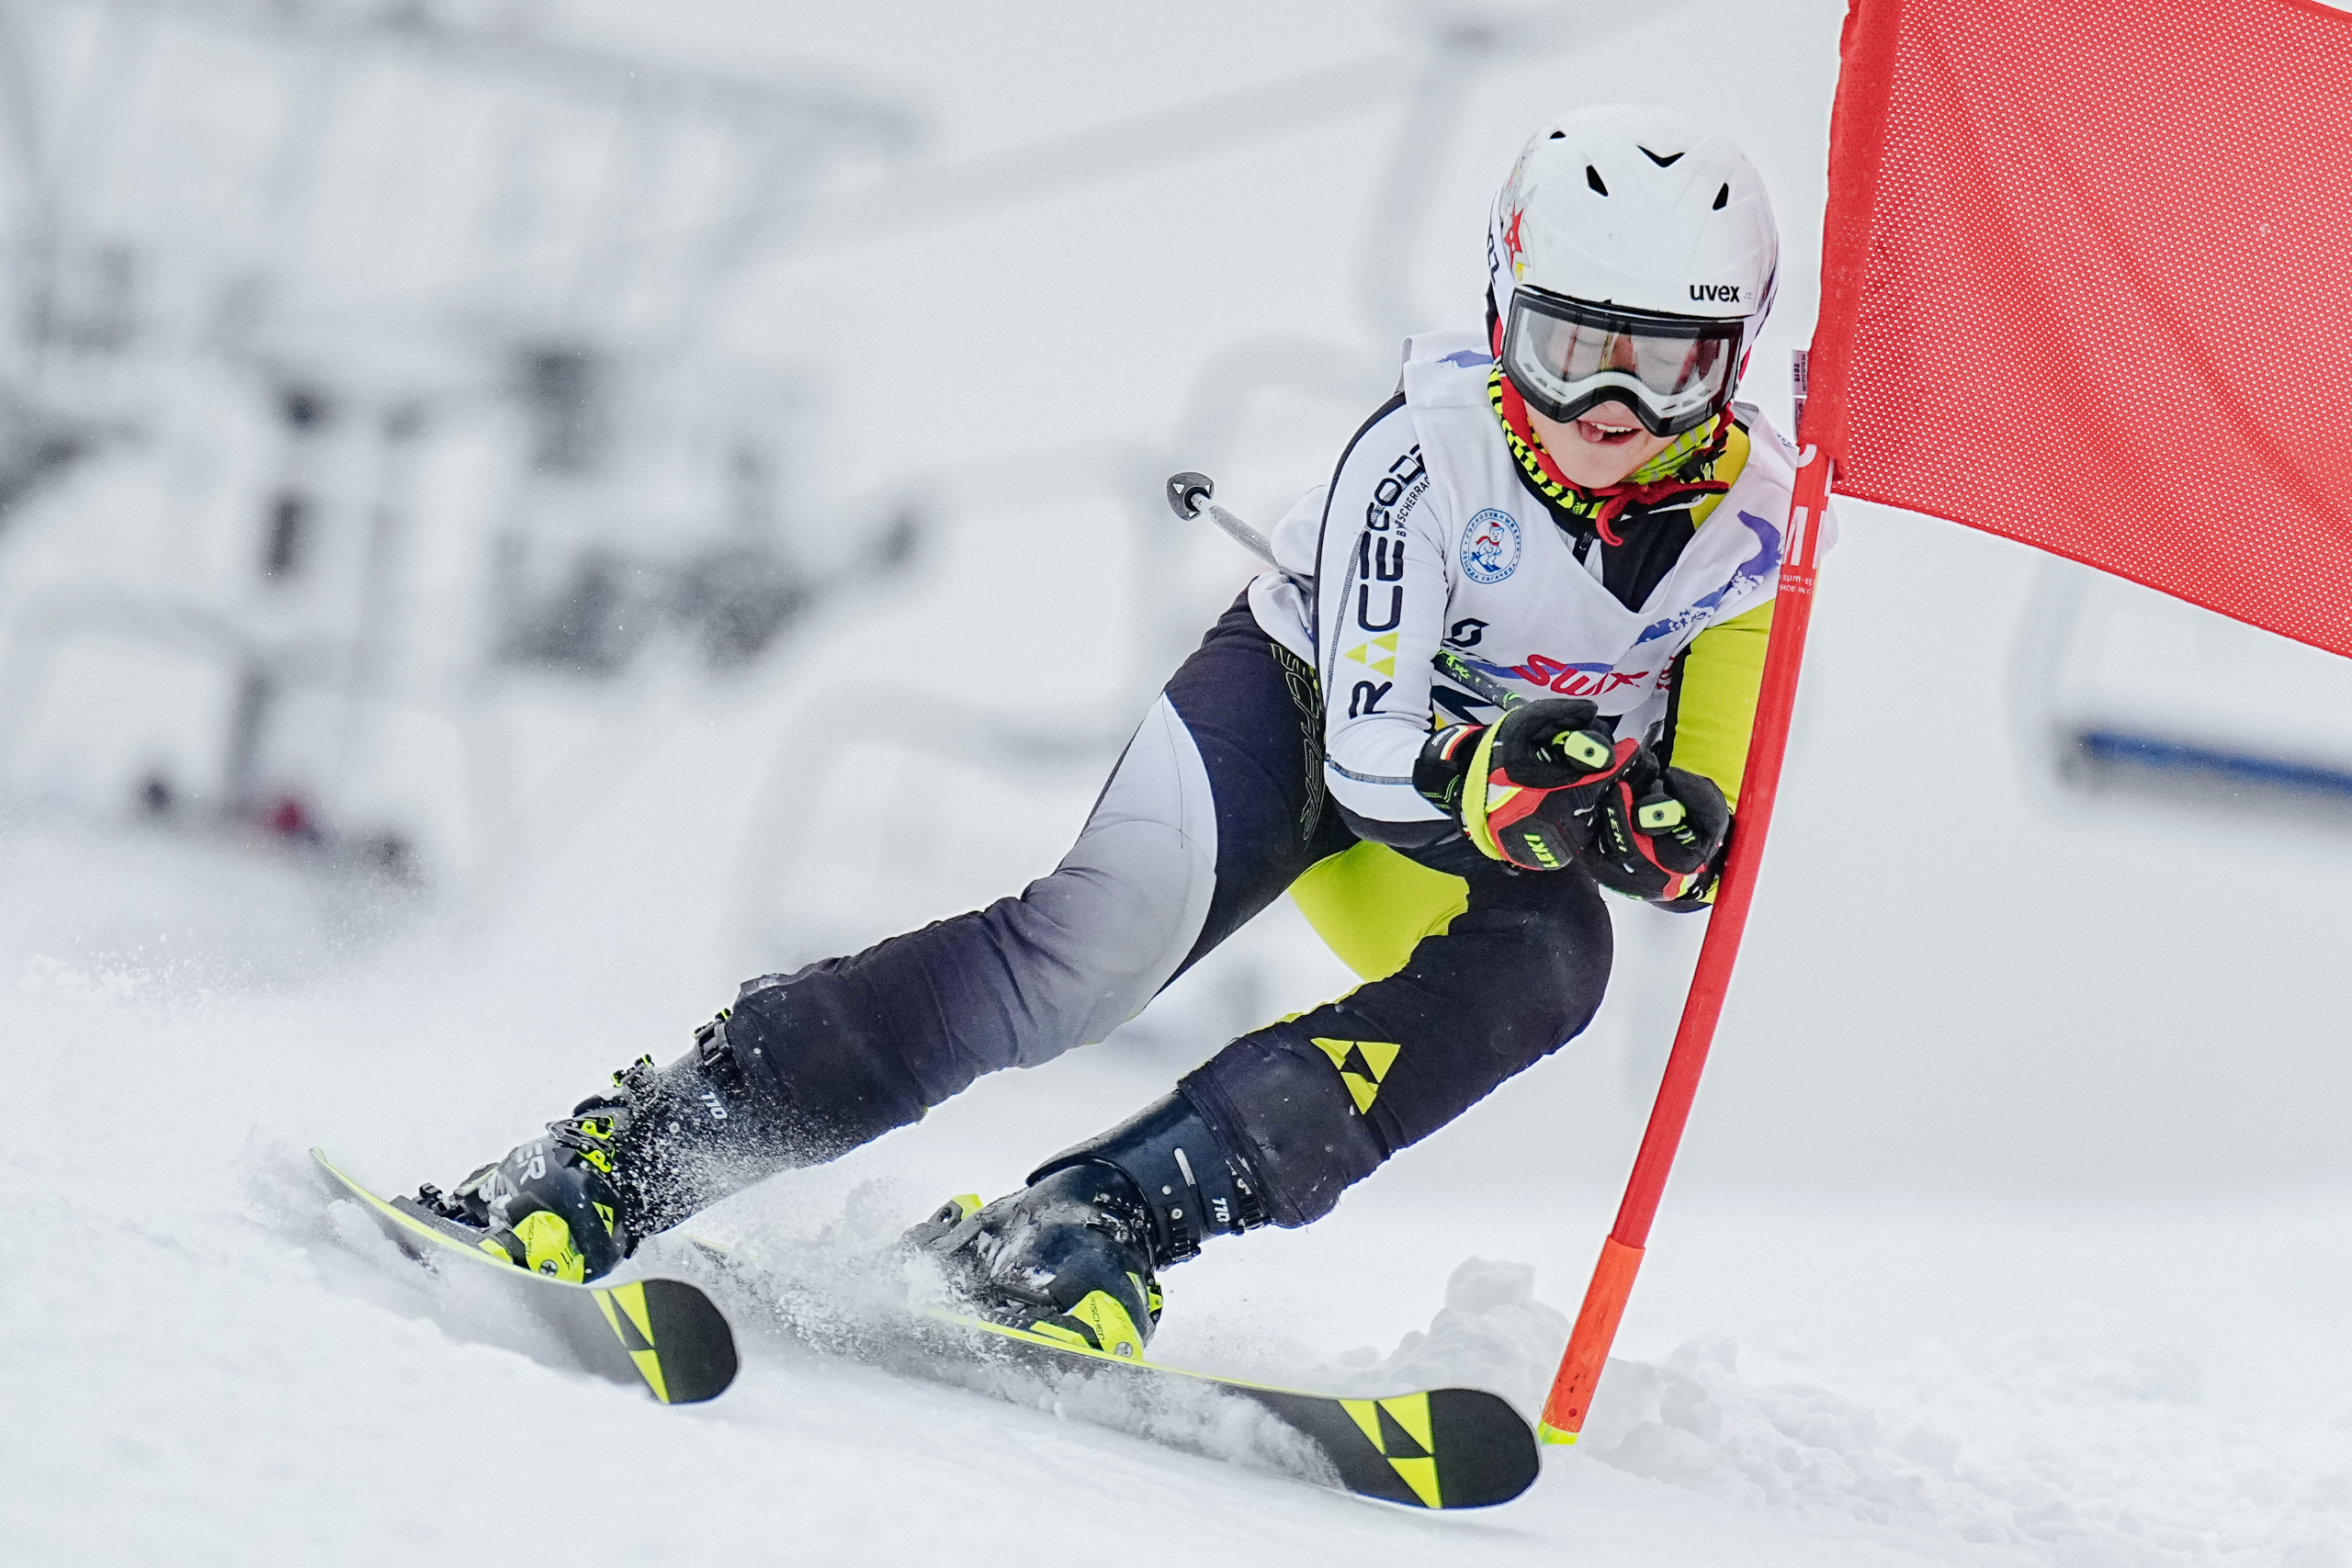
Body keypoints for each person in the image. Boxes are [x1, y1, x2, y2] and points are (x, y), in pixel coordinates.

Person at [424, 103, 1813, 1360]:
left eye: (1666, 372)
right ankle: (634, 1154)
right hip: (1306, 715)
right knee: (1085, 958)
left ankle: (1093, 1222)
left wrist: (1657, 831)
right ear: (1506, 311)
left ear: (1730, 363)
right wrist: (1506, 779)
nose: (1605, 414)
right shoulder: (1426, 454)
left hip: (1457, 805)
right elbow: (1372, 762)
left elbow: (1702, 810)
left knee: (1557, 960)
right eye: (1571, 350)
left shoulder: (1758, 525)